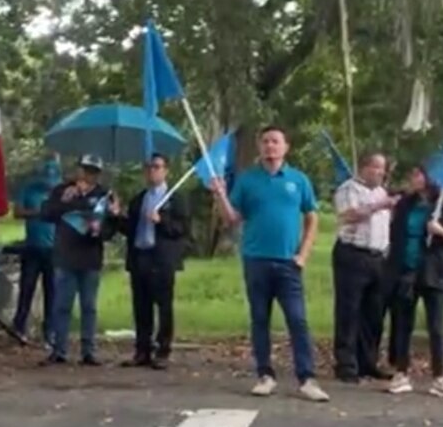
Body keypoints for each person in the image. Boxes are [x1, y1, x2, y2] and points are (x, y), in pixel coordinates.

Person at [210, 126, 330, 402]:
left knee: (298, 320)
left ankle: (307, 378)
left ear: (286, 147)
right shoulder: (248, 180)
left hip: (289, 263)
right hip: (256, 260)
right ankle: (265, 375)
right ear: (260, 146)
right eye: (265, 142)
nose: (270, 146)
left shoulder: (298, 180)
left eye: (276, 141)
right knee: (260, 319)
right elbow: (232, 219)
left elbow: (312, 218)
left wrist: (303, 254)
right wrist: (220, 194)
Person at [386, 165, 443, 398]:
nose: (413, 178)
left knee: (436, 326)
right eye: (413, 174)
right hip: (407, 269)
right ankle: (401, 371)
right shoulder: (405, 205)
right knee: (402, 323)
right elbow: (396, 233)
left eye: (418, 174)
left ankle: (439, 376)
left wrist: (441, 232)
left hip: (435, 271)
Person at [40, 154, 119, 366]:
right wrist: (66, 201)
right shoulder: (62, 190)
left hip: (90, 257)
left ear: (98, 174)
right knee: (62, 305)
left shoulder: (105, 195)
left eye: (93, 171)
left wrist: (105, 223)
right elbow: (46, 213)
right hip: (65, 256)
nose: (87, 175)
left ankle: (88, 350)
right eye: (85, 170)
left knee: (89, 306)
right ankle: (59, 349)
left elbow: (111, 230)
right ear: (79, 170)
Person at [115, 153, 189, 370]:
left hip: (162, 260)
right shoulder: (139, 199)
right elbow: (130, 229)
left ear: (166, 170)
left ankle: (163, 350)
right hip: (140, 257)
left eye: (157, 167)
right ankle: (142, 350)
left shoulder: (175, 198)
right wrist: (118, 216)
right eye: (148, 167)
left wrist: (162, 221)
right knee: (141, 306)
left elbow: (182, 229)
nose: (152, 171)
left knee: (164, 306)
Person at [332, 152, 398, 383]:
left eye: (383, 168)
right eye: (376, 167)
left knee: (374, 313)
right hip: (353, 254)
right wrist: (378, 206)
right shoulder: (349, 189)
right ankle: (346, 364)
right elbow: (348, 216)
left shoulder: (382, 192)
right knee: (349, 311)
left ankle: (367, 361)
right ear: (363, 167)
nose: (380, 172)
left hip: (378, 257)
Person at [11, 158, 62, 344]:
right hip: (32, 247)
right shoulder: (29, 189)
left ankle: (50, 331)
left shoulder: (60, 192)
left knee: (52, 292)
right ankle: (19, 326)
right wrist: (38, 212)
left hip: (54, 249)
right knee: (27, 288)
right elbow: (17, 212)